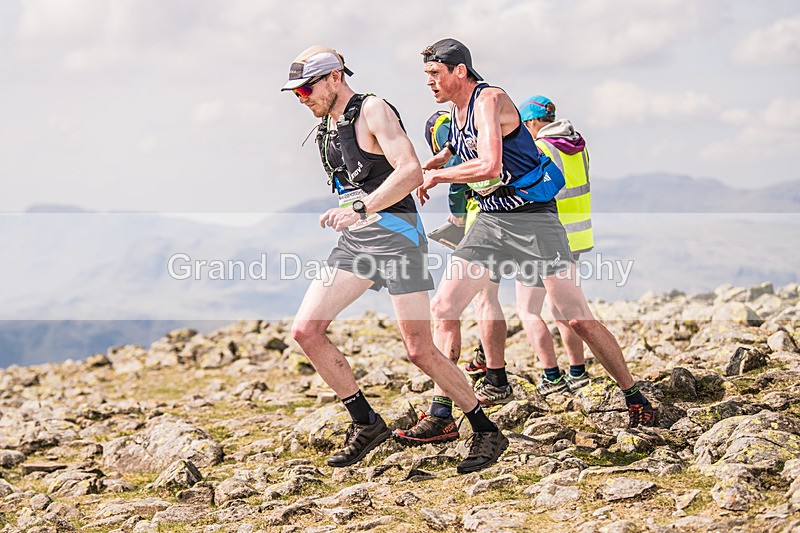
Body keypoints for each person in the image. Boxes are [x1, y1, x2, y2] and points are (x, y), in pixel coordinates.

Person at [405, 38, 655, 431]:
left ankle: (635, 395)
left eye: (435, 74)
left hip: (535, 221)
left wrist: (437, 176)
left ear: (459, 71)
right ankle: (442, 413)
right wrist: (424, 168)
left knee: (575, 319)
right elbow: (456, 149)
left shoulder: (490, 99)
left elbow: (489, 165)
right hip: (490, 222)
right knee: (444, 308)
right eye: (426, 76)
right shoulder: (455, 111)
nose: (429, 83)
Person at [281, 44, 509, 473]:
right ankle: (366, 422)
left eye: (306, 89)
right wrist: (355, 214)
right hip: (359, 242)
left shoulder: (373, 109)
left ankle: (484, 429)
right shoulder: (330, 123)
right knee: (306, 330)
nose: (303, 98)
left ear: (334, 77)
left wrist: (362, 208)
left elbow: (409, 171)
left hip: (397, 238)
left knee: (420, 351)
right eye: (296, 94)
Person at [465, 95, 595, 397]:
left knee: (528, 309)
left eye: (524, 124)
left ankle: (552, 376)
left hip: (543, 236)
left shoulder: (540, 148)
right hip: (577, 237)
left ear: (534, 121)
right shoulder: (579, 147)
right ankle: (578, 372)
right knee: (563, 308)